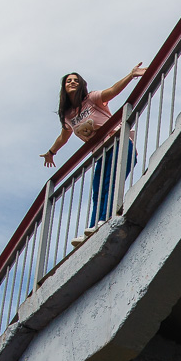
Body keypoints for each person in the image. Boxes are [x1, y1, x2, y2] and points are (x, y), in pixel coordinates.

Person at [40, 64, 146, 246]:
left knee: (110, 182)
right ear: (64, 87)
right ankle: (92, 227)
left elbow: (112, 91)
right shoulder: (68, 115)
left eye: (75, 80)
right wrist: (51, 153)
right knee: (98, 190)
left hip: (119, 142)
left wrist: (131, 75)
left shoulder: (91, 99)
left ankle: (104, 219)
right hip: (101, 152)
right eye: (68, 81)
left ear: (81, 84)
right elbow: (62, 137)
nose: (72, 82)